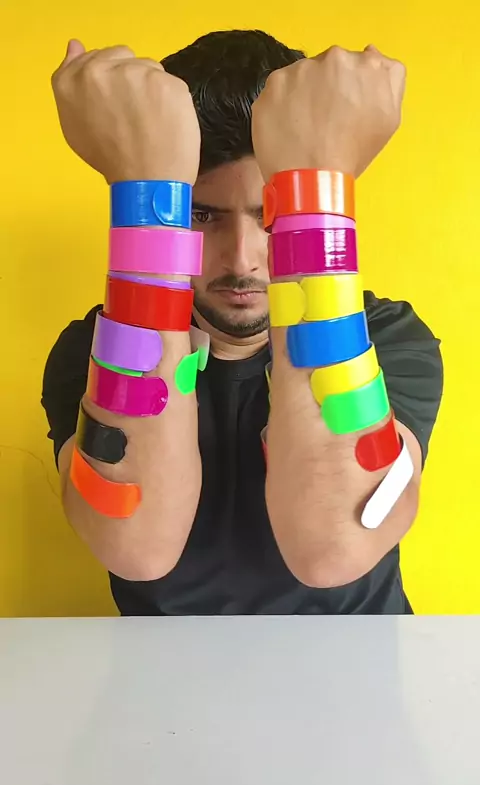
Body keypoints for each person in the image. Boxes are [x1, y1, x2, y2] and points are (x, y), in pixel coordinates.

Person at [42, 30, 443, 615]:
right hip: (161, 668)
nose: (242, 259)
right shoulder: (90, 350)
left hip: (357, 666)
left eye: (271, 216)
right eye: (201, 214)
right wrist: (146, 193)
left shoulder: (386, 338)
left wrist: (317, 189)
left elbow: (336, 546)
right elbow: (136, 546)